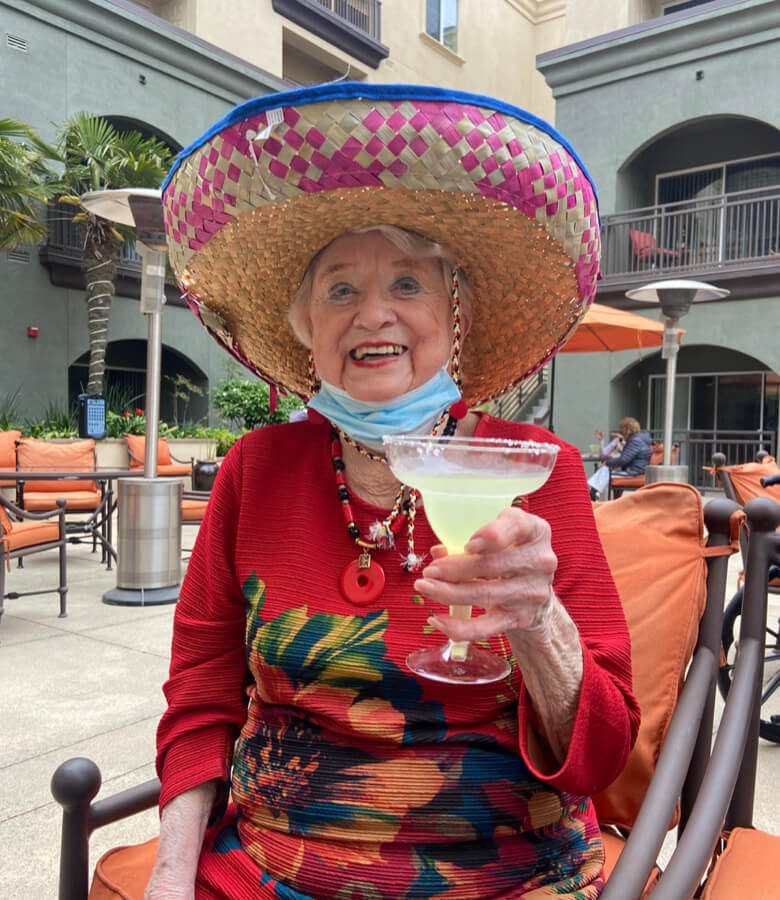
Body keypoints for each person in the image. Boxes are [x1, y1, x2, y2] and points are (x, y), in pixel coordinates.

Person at [147, 83, 640, 899]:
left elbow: (601, 754)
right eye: (340, 289)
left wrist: (537, 624)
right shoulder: (257, 469)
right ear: (307, 327)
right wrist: (170, 877)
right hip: (268, 868)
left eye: (407, 285)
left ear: (457, 314)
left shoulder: (532, 470)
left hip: (502, 876)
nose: (374, 313)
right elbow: (201, 693)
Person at [588, 418, 653, 500]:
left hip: (633, 472)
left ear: (626, 429)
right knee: (606, 470)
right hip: (636, 469)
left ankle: (593, 492)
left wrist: (608, 463)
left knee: (606, 470)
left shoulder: (635, 441)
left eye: (621, 430)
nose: (620, 432)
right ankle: (593, 491)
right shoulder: (639, 439)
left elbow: (624, 459)